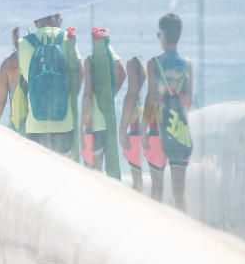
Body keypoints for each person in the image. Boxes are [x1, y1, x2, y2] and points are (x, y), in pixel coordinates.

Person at [141, 13, 193, 210]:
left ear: (162, 35)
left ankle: (157, 235)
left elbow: (150, 97)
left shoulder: (154, 63)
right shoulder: (187, 64)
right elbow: (187, 101)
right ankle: (186, 232)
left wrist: (144, 128)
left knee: (157, 190)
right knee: (179, 193)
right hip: (180, 131)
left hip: (157, 131)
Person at [18, 14, 83, 156]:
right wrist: (70, 96)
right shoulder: (67, 38)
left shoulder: (23, 43)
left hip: (35, 125)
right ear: (56, 19)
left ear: (36, 20)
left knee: (37, 174)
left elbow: (26, 77)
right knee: (63, 174)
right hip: (65, 123)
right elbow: (80, 72)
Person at [80, 31, 126, 171]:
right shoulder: (111, 58)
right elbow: (122, 74)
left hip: (94, 124)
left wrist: (81, 126)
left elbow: (87, 94)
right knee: (111, 168)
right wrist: (111, 95)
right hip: (109, 123)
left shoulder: (90, 61)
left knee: (95, 171)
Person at [119, 57, 147, 190]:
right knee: (138, 176)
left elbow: (126, 118)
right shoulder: (140, 94)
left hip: (134, 138)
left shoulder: (131, 95)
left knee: (136, 179)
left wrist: (121, 130)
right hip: (141, 137)